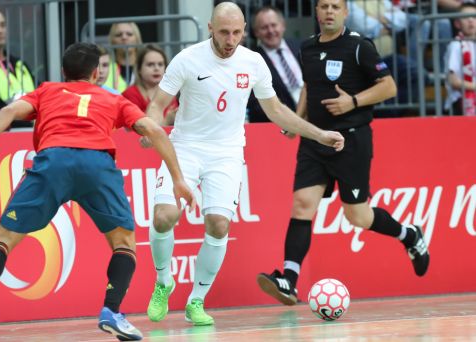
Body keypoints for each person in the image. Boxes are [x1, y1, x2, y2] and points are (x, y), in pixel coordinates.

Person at [0, 42, 196, 341]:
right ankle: (112, 311)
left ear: (63, 72)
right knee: (124, 243)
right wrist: (178, 179)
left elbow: (7, 111)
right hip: (97, 164)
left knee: (2, 238)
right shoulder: (113, 99)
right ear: (97, 73)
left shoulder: (46, 90)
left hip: (53, 161)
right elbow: (156, 131)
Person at [143, 2, 344, 326]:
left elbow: (276, 110)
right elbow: (158, 104)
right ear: (210, 28)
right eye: (223, 32)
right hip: (185, 147)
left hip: (227, 152)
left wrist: (318, 134)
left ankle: (196, 300)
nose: (230, 39)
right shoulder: (187, 58)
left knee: (219, 224)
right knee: (165, 216)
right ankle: (163, 281)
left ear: (244, 32)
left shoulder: (253, 62)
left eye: (237, 32)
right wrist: (151, 128)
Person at [256, 0, 430, 307]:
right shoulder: (308, 47)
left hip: (351, 140)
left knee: (357, 216)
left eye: (336, 6)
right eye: (324, 6)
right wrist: (296, 121)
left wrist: (353, 102)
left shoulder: (359, 46)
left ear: (346, 12)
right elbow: (309, 87)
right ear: (317, 12)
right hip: (315, 139)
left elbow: (388, 87)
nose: (329, 12)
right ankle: (289, 280)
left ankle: (409, 234)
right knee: (302, 204)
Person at [247, 6, 303, 122]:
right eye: (264, 27)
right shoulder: (251, 59)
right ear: (256, 32)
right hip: (280, 126)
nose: (271, 31)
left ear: (283, 25)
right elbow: (255, 103)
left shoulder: (301, 47)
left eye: (274, 25)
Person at [123, 44, 178, 126]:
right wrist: (166, 121)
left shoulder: (170, 93)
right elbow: (140, 129)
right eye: (150, 64)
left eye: (160, 64)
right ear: (139, 69)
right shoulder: (130, 94)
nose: (156, 68)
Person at [444, 3, 476, 115]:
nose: (471, 20)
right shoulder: (456, 45)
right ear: (457, 24)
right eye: (466, 17)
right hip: (460, 101)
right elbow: (454, 81)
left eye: (474, 17)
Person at [104, 22, 143, 93]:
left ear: (137, 39)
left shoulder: (145, 66)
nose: (124, 37)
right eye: (119, 35)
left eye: (129, 34)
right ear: (112, 41)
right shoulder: (105, 67)